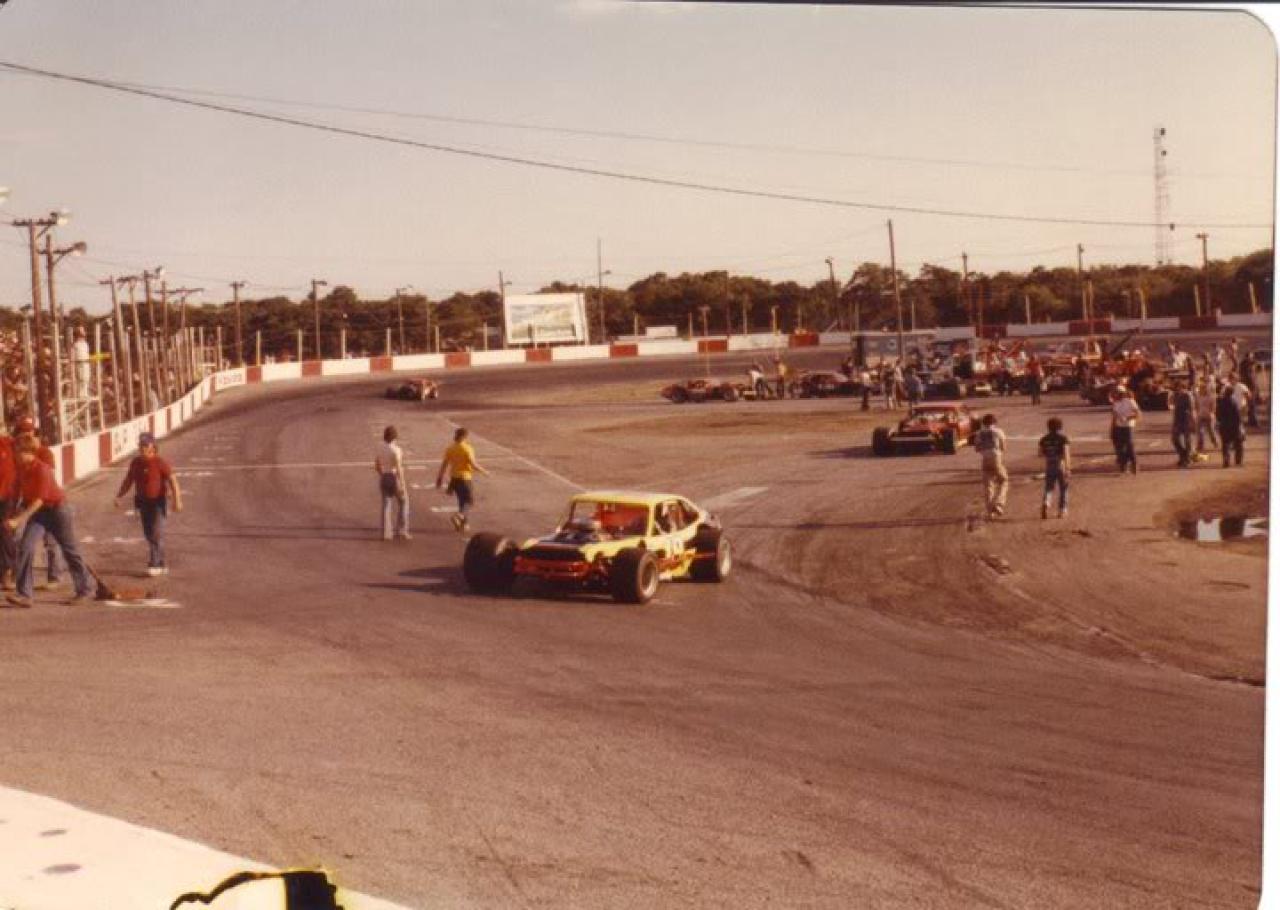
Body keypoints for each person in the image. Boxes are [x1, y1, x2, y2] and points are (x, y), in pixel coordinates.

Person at [4, 435, 94, 608]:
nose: (14, 455)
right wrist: (12, 514)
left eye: (17, 452)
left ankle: (85, 589)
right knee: (25, 548)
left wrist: (19, 520)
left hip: (57, 510)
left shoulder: (42, 469)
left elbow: (39, 500)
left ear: (27, 452)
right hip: (39, 513)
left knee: (70, 550)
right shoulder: (21, 469)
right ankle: (24, 595)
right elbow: (17, 494)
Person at [114, 432, 183, 574]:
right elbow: (128, 480)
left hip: (158, 503)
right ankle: (161, 563)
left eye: (145, 445)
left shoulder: (160, 462)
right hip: (142, 503)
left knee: (156, 533)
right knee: (149, 534)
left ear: (153, 447)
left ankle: (154, 564)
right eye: (141, 445)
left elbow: (173, 480)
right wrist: (119, 495)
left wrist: (177, 500)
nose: (142, 448)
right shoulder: (135, 463)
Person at [15, 417, 62, 589]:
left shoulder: (44, 453)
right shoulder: (20, 453)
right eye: (22, 431)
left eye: (29, 431)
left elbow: (46, 479)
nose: (26, 434)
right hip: (32, 502)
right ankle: (23, 585)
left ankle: (54, 577)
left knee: (51, 541)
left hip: (47, 502)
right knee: (24, 542)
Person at [435, 426, 489, 533]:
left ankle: (463, 525)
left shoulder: (450, 448)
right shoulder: (467, 448)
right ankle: (459, 515)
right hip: (465, 478)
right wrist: (484, 471)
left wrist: (439, 478)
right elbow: (473, 464)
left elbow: (444, 465)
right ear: (464, 437)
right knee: (469, 501)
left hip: (454, 479)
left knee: (462, 501)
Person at [374, 425, 410, 541]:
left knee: (386, 505)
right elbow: (399, 468)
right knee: (403, 502)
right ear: (395, 437)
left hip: (384, 477)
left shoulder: (380, 448)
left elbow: (377, 465)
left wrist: (382, 474)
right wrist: (403, 484)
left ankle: (386, 533)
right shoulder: (396, 450)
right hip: (394, 477)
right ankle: (402, 530)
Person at [971, 413, 1008, 519]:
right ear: (994, 422)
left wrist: (984, 450)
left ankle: (990, 511)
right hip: (996, 458)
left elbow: (976, 448)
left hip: (985, 459)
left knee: (988, 486)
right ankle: (999, 503)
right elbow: (1003, 447)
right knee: (1003, 480)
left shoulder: (979, 433)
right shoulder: (998, 431)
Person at [1038, 417, 1071, 519]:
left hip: (1049, 464)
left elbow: (1040, 453)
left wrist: (1049, 453)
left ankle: (1046, 502)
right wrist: (1068, 468)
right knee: (1064, 488)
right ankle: (1062, 510)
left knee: (1049, 487)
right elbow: (1066, 453)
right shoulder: (1063, 438)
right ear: (1060, 427)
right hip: (1060, 463)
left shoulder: (1044, 439)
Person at [1110, 387, 1141, 475]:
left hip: (1128, 426)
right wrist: (1112, 429)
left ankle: (1134, 464)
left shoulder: (1130, 401)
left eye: (1116, 393)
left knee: (1129, 445)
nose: (1114, 395)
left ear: (1120, 393)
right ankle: (1123, 465)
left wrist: (1127, 418)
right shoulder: (1116, 403)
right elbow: (1114, 417)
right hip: (1118, 427)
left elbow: (1138, 414)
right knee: (1119, 447)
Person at [1169, 380, 1197, 469]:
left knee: (1187, 440)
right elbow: (1171, 405)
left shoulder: (1188, 395)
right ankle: (1183, 454)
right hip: (1177, 419)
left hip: (1186, 419)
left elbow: (1192, 409)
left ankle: (1187, 459)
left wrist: (1193, 421)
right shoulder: (1175, 395)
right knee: (1174, 439)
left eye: (1177, 387)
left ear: (1181, 387)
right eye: (1175, 388)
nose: (1176, 390)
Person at [1217, 384, 1245, 468]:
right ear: (1232, 393)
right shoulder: (1234, 402)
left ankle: (1226, 460)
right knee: (1238, 444)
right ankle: (1238, 461)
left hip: (1224, 426)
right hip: (1234, 427)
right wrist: (1240, 426)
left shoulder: (1221, 402)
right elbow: (1237, 416)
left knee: (1225, 444)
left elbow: (1218, 414)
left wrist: (1220, 422)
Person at [1195, 378, 1219, 455]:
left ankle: (1215, 442)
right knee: (1200, 432)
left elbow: (1214, 407)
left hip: (1209, 416)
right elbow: (1196, 405)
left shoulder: (1211, 397)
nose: (1202, 390)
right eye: (1201, 389)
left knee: (1211, 431)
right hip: (1201, 415)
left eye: (1203, 388)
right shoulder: (1198, 396)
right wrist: (1197, 413)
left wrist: (1212, 413)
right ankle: (1200, 446)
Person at [72, 325, 92, 397]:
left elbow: (87, 354)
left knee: (86, 378)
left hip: (86, 363)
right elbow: (73, 356)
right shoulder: (75, 344)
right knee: (81, 379)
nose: (83, 334)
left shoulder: (85, 344)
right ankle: (80, 395)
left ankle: (85, 394)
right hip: (80, 363)